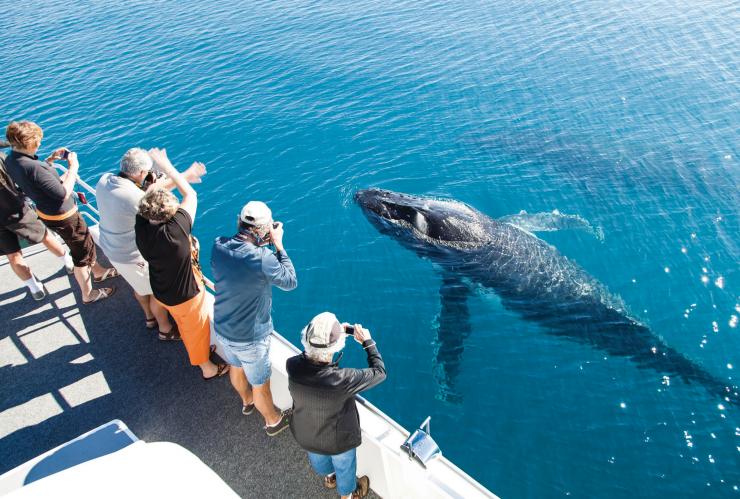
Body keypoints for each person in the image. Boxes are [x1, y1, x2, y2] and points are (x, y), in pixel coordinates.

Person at [135, 148, 228, 379]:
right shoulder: (175, 233)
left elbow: (149, 197)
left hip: (160, 286)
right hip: (184, 295)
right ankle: (207, 367)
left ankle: (171, 331)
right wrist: (167, 166)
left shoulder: (141, 224)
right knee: (195, 330)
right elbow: (191, 195)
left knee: (182, 322)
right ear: (170, 212)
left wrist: (172, 173)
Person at [96, 147, 205, 339]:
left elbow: (148, 196)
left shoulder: (105, 180)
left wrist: (168, 180)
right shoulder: (135, 198)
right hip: (129, 254)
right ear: (140, 173)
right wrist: (186, 175)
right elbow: (152, 200)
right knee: (156, 292)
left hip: (111, 247)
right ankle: (165, 329)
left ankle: (149, 318)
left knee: (139, 287)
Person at [4, 121, 118, 303]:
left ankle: (99, 272)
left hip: (47, 213)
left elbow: (39, 183)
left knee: (83, 246)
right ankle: (88, 294)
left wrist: (49, 161)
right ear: (30, 142)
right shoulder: (33, 167)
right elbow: (63, 193)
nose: (40, 143)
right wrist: (73, 167)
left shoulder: (11, 159)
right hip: (64, 217)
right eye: (38, 140)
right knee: (80, 254)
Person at [211, 200, 296, 436]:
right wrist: (277, 245)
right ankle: (273, 421)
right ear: (265, 229)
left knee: (235, 366)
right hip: (250, 337)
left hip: (222, 326)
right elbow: (290, 282)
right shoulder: (263, 257)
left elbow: (237, 263)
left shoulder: (219, 244)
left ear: (239, 221)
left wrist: (261, 243)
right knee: (261, 383)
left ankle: (246, 402)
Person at [287, 312, 386, 499]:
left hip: (305, 433)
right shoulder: (342, 380)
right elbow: (380, 372)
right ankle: (348, 494)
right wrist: (368, 342)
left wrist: (335, 335)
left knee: (319, 459)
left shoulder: (292, 365)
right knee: (345, 466)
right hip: (337, 442)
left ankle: (330, 478)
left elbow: (306, 356)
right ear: (335, 347)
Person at [0, 141, 74, 299]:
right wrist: (48, 162)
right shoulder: (2, 160)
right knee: (45, 235)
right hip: (17, 211)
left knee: (13, 255)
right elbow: (21, 181)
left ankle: (35, 289)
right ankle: (67, 261)